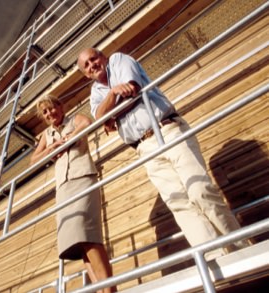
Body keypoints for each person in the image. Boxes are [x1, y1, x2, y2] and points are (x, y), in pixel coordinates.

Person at [77, 48, 248, 257]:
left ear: (102, 57)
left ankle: (241, 252)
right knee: (178, 203)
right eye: (86, 65)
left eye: (93, 59)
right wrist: (113, 95)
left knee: (200, 191)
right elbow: (100, 117)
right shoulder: (96, 92)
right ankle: (216, 259)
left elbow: (131, 91)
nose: (92, 65)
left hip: (166, 129)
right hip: (143, 147)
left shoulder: (118, 60)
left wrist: (111, 116)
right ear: (85, 74)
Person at [30, 95, 116, 292]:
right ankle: (101, 288)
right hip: (63, 186)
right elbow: (33, 161)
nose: (50, 113)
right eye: (45, 112)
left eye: (52, 108)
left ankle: (110, 289)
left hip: (82, 177)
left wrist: (67, 140)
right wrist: (51, 148)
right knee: (78, 241)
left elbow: (87, 123)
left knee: (88, 233)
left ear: (61, 107)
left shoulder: (74, 119)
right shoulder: (46, 134)